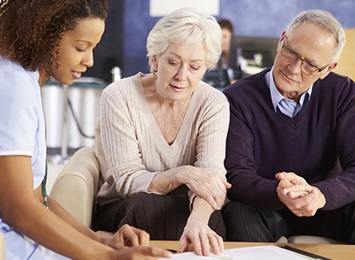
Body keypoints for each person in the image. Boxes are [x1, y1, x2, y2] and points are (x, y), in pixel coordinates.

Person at [0, 0, 172, 259]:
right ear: (45, 34)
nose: (90, 60)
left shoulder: (25, 81)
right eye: (81, 47)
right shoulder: (14, 86)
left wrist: (99, 240)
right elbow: (17, 208)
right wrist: (107, 257)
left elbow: (37, 199)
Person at [93, 7, 231, 256]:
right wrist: (184, 174)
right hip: (128, 205)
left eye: (194, 67)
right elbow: (127, 182)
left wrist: (198, 221)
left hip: (186, 207)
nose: (182, 76)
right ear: (156, 59)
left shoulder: (214, 103)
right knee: (145, 207)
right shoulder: (119, 96)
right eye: (173, 62)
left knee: (210, 220)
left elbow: (211, 179)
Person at [222, 9, 355, 243]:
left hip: (324, 207)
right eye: (291, 52)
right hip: (267, 208)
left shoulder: (343, 93)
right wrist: (281, 192)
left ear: (328, 69)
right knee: (237, 211)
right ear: (282, 39)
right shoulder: (237, 97)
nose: (294, 69)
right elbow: (237, 175)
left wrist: (320, 195)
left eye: (310, 65)